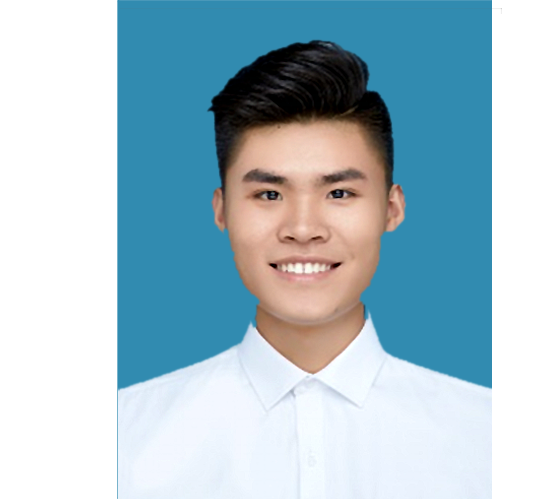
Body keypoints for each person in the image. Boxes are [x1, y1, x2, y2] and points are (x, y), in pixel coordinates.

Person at [118, 40, 491, 498]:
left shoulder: (488, 437)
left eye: (339, 193)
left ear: (391, 209)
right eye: (269, 195)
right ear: (222, 210)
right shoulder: (125, 437)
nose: (302, 229)